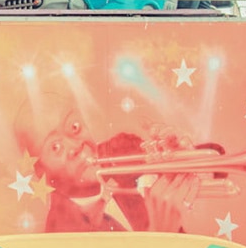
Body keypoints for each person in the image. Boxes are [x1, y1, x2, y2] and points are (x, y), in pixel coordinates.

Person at [14, 93, 201, 233]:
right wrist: (161, 237)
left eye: (74, 127)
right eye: (55, 147)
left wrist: (180, 154)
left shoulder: (122, 149)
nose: (76, 147)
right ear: (42, 172)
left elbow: (202, 166)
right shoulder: (61, 233)